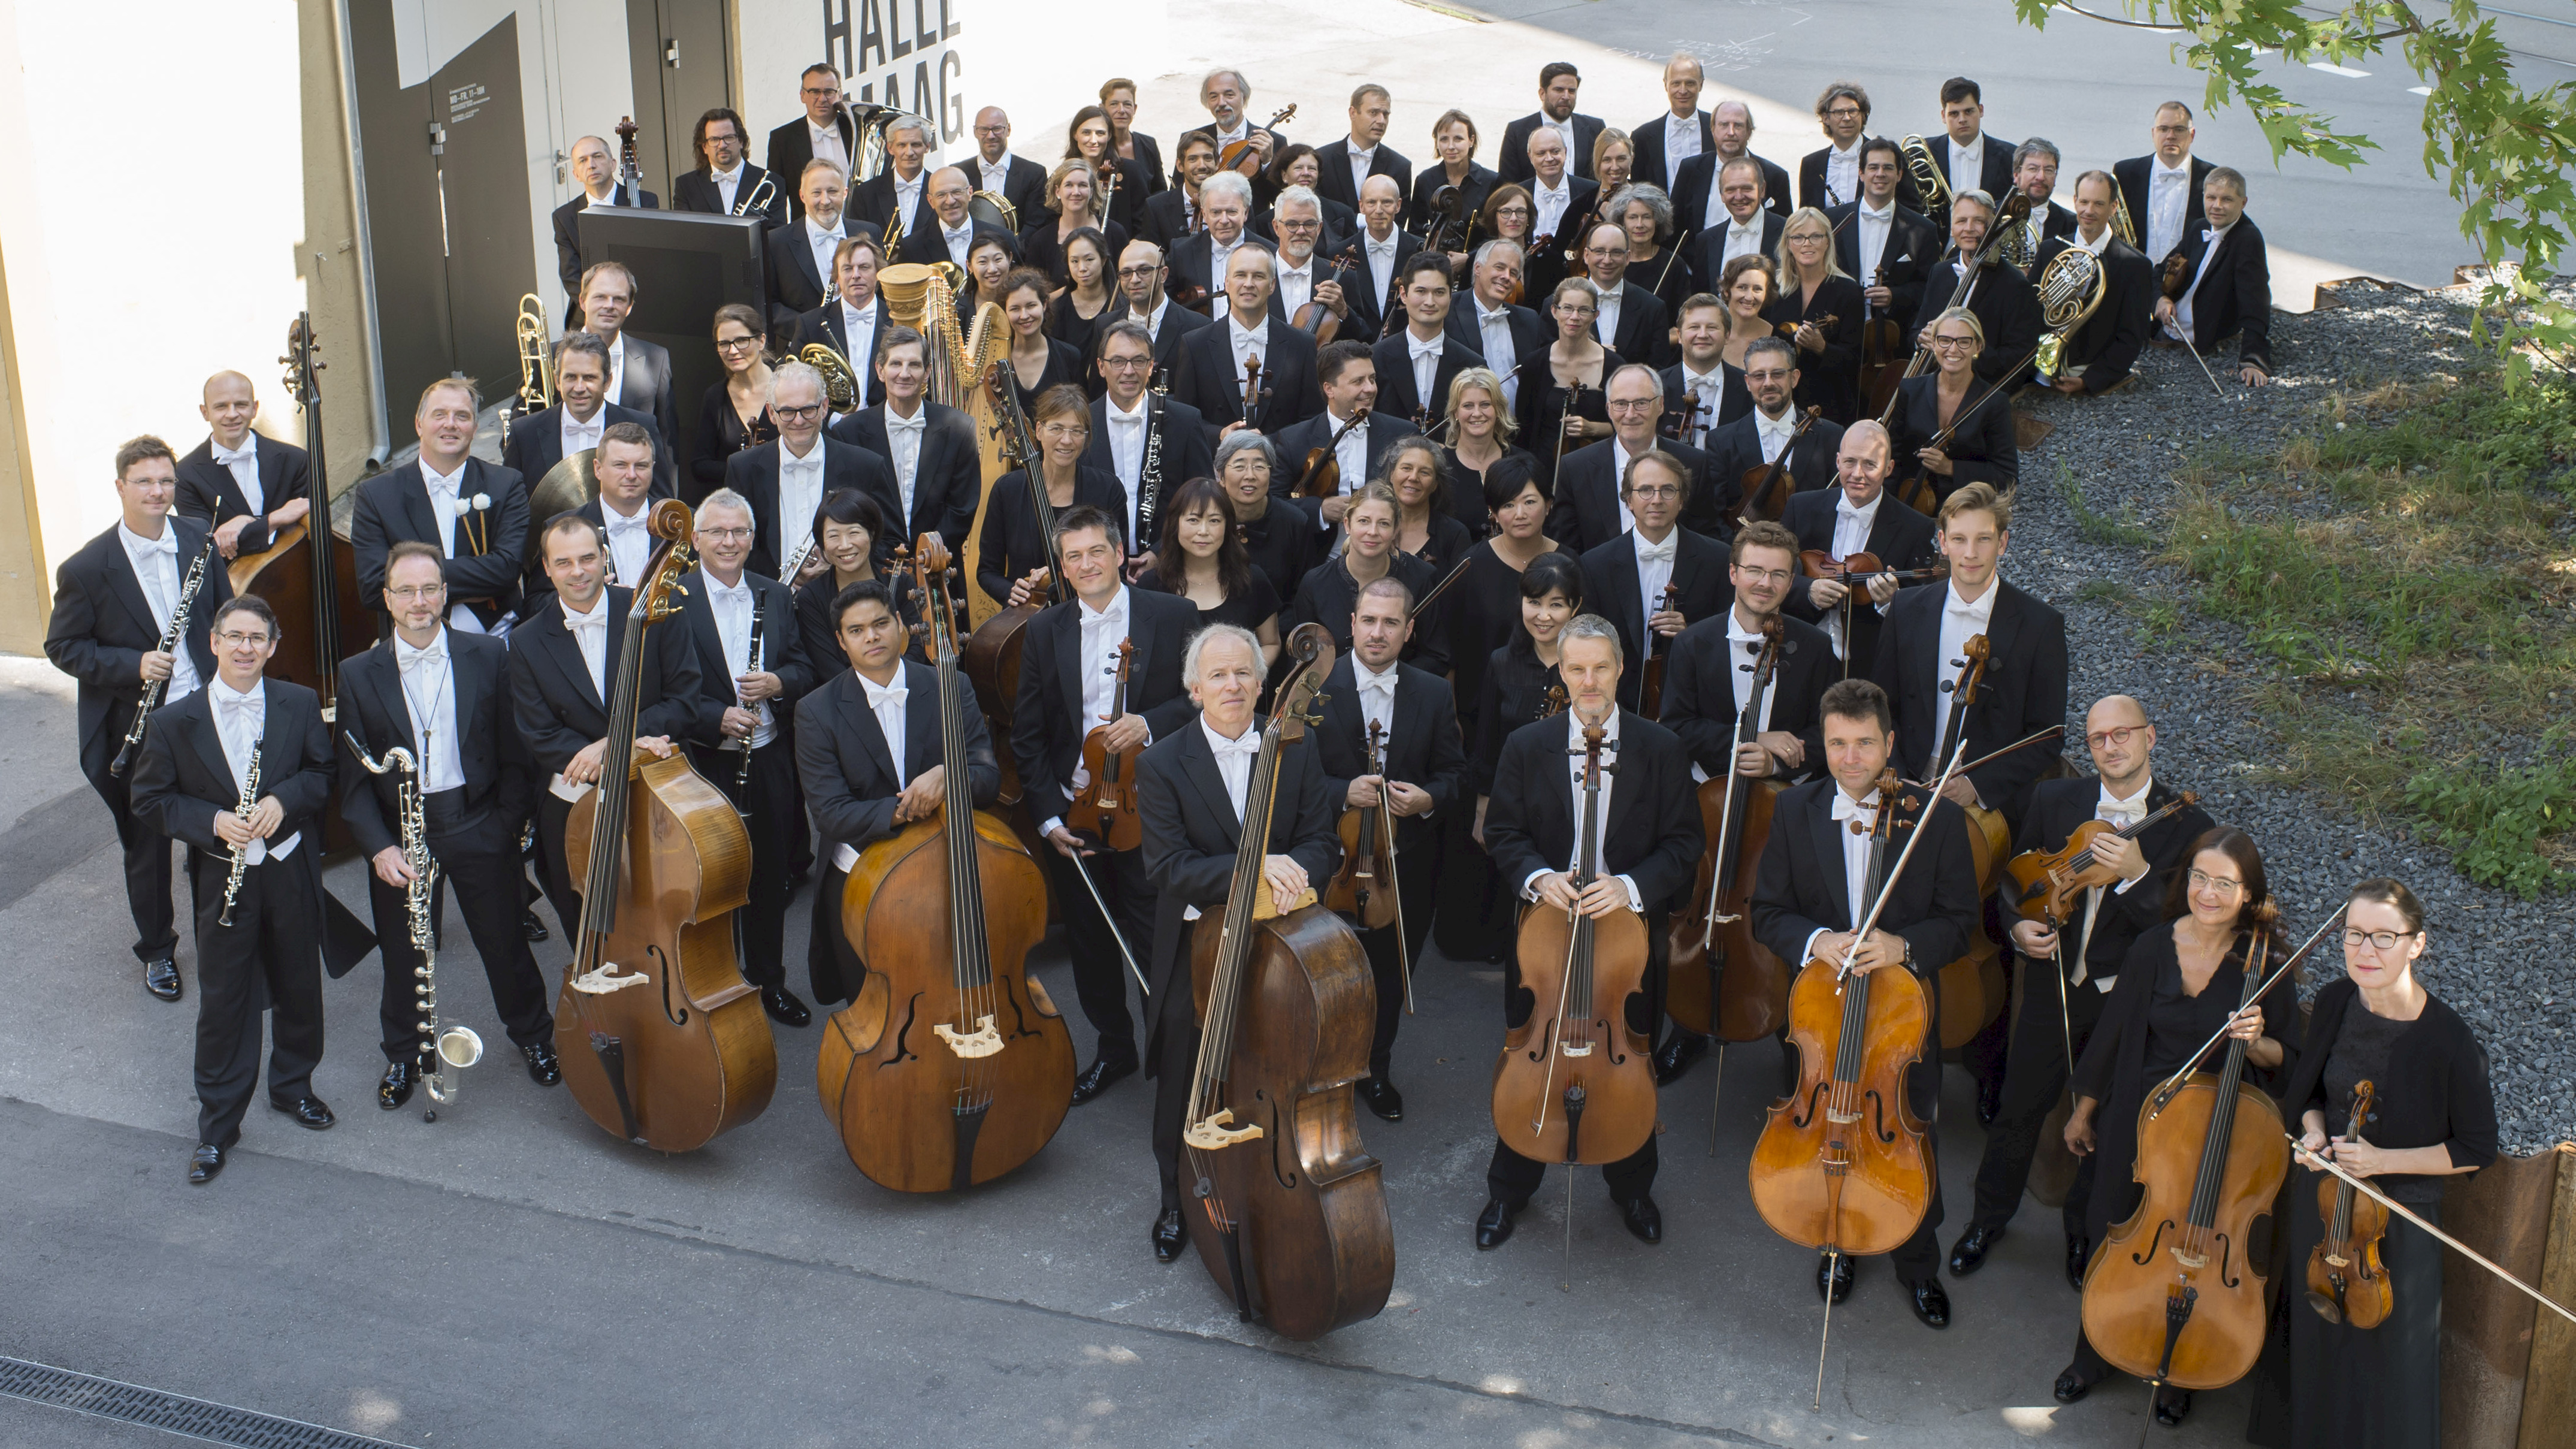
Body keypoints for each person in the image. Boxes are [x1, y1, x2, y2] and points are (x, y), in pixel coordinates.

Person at [1948, 695, 2214, 1289]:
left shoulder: (2188, 826)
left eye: (2123, 734)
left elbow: (2183, 930)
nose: (2111, 746)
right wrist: (2018, 927)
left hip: (2124, 1003)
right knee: (2019, 1108)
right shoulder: (2053, 800)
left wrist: (2138, 877)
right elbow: (2017, 883)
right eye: (2098, 738)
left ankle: (2081, 1235)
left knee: (2104, 1127)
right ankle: (1987, 1221)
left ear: (2151, 736)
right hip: (2053, 986)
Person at [1749, 676, 1981, 1323]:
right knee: (1825, 1131)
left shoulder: (1934, 819)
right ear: (1822, 743)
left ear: (1890, 744)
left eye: (1864, 744)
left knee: (1910, 1139)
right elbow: (1767, 913)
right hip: (1818, 1019)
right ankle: (1836, 1242)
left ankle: (1917, 1263)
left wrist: (1902, 949)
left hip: (1899, 1024)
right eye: (1838, 744)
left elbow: (1961, 921)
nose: (1851, 759)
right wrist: (1818, 939)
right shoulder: (1796, 811)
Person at [2055, 827, 2297, 1423]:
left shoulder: (2264, 964)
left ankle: (2179, 1368)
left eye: (2223, 883)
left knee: (2195, 1246)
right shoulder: (2152, 947)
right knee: (2113, 1228)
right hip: (2139, 1119)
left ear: (2247, 893)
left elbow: (2287, 1056)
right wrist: (2084, 1109)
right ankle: (2093, 1353)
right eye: (2197, 877)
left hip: (2220, 1132)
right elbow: (2112, 1035)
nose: (2207, 893)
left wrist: (2256, 1038)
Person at [1476, 612, 1703, 1248]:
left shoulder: (1660, 749)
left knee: (1631, 1060)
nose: (1589, 681)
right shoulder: (1527, 745)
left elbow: (1685, 843)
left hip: (1626, 942)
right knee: (1528, 1056)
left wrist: (1629, 889)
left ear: (1621, 668)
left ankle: (1632, 1186)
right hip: (1544, 942)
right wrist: (1539, 878)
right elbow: (1504, 835)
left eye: (1600, 667)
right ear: (1561, 670)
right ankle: (1509, 1188)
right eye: (1575, 668)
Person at [1134, 622, 1344, 1261]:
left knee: (1279, 1059)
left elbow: (1321, 840)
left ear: (1261, 683)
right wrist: (1251, 867)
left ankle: (1268, 1182)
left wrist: (1298, 869)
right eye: (1217, 675)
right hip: (1201, 936)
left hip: (1281, 932)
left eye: (1243, 673)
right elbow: (1167, 867)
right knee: (1184, 1057)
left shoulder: (1295, 748)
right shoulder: (1161, 761)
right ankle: (1175, 1196)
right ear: (1194, 689)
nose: (1232, 685)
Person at [338, 542, 561, 1110]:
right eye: (406, 591)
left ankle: (535, 1037)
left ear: (445, 593)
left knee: (505, 940)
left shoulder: (489, 654)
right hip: (401, 832)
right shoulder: (358, 673)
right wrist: (378, 849)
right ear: (387, 600)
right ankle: (403, 1053)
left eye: (430, 589)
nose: (420, 601)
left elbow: (517, 755)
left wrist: (506, 826)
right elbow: (354, 780)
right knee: (403, 948)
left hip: (477, 821)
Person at [129, 594, 339, 1182]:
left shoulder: (298, 703)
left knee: (300, 985)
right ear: (214, 643)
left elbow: (322, 775)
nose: (246, 647)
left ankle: (293, 1086)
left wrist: (283, 800)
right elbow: (150, 800)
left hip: (288, 867)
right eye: (235, 636)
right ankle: (218, 1124)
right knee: (225, 1000)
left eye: (258, 638)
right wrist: (213, 822)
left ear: (272, 647)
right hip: (224, 876)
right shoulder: (175, 721)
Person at [2282, 879, 2497, 1449]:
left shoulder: (2451, 1041)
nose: (2365, 951)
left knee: (2389, 1372)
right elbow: (2305, 1097)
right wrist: (2311, 1137)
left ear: (2417, 944)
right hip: (2326, 1210)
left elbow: (2476, 1149)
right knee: (2318, 1344)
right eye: (2354, 934)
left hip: (2395, 1226)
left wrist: (2380, 1159)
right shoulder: (2334, 1001)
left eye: (2384, 937)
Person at [1014, 506, 1201, 1106]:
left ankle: (1174, 1054)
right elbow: (1029, 734)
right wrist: (1047, 818)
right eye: (1073, 556)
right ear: (1062, 567)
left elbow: (1201, 702)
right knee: (1092, 944)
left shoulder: (1171, 615)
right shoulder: (1044, 630)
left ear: (1119, 554)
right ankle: (1114, 1049)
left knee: (1157, 941)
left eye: (1097, 551)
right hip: (1077, 813)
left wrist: (1147, 723)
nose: (1087, 564)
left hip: (1151, 811)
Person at [44, 435, 232, 1001]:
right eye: (146, 481)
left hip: (203, 713)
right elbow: (64, 646)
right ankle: (157, 950)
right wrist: (134, 664)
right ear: (121, 487)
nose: (158, 491)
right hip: (140, 724)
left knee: (216, 829)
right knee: (147, 846)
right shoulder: (87, 567)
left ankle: (224, 938)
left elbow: (223, 614)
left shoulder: (198, 538)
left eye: (167, 481)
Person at [1652, 518, 1839, 1082]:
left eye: (1779, 575)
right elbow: (1675, 725)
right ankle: (1689, 1029)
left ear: (1790, 584)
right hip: (1707, 804)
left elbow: (1827, 735)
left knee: (1786, 923)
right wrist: (1748, 743)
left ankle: (1793, 1045)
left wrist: (1784, 758)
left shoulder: (1814, 646)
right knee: (1696, 911)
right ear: (1734, 572)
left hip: (1783, 814)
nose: (1765, 583)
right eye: (1755, 570)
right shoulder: (1693, 642)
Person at [794, 577, 1002, 1010]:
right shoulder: (815, 710)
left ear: (900, 627)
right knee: (874, 1005)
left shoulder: (952, 685)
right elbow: (831, 815)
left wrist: (948, 774)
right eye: (857, 630)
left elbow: (988, 778)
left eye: (881, 623)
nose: (871, 636)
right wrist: (907, 809)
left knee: (957, 993)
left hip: (947, 868)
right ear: (841, 642)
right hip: (862, 879)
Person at [506, 512, 702, 943]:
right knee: (583, 919)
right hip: (575, 795)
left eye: (587, 559)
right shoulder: (524, 640)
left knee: (669, 907)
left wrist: (615, 745)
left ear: (603, 557)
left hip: (655, 784)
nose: (577, 572)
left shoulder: (655, 612)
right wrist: (602, 755)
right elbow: (538, 732)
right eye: (564, 562)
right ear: (547, 568)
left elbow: (685, 703)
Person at [1312, 575, 1463, 1120]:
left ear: (1409, 629)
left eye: (1391, 622)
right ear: (1351, 624)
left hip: (1404, 867)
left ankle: (1377, 1069)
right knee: (1323, 973)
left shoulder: (1432, 691)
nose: (1378, 632)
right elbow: (1285, 774)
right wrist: (1339, 792)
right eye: (1369, 620)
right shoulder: (1314, 686)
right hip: (1330, 864)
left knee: (1389, 978)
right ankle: (1323, 1069)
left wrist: (1426, 799)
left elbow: (1455, 775)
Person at [670, 489, 817, 1027]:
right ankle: (716, 984)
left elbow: (805, 667)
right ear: (696, 540)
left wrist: (778, 681)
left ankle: (769, 981)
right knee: (709, 881)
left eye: (739, 532)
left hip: (769, 758)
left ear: (752, 538)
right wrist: (715, 717)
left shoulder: (775, 595)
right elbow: (661, 692)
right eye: (717, 532)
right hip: (705, 764)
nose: (729, 542)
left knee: (768, 875)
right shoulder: (675, 598)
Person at [1870, 481, 2064, 828]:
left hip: (1985, 805)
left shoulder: (2040, 625)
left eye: (1984, 539)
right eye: (1959, 539)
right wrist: (1897, 773)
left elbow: (2047, 734)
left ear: (2002, 543)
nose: (1971, 553)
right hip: (1909, 780)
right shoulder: (1906, 608)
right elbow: (1882, 706)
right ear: (1943, 543)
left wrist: (1977, 786)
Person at [1458, 551, 1582, 962]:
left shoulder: (1585, 667)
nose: (1543, 615)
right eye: (1534, 602)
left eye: (1556, 604)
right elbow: (1488, 740)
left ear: (1575, 607)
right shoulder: (1502, 662)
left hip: (1572, 802)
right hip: (1514, 803)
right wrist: (1482, 809)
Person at [350, 379, 530, 635]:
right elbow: (372, 587)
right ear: (419, 424)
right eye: (440, 415)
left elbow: (507, 570)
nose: (451, 424)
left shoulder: (506, 484)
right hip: (412, 638)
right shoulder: (376, 495)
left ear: (475, 428)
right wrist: (474, 581)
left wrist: (408, 582)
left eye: (462, 416)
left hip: (495, 636)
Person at [1779, 421, 1937, 672]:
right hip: (1798, 653)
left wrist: (1890, 602)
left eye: (1870, 464)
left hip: (1867, 664)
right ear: (1838, 461)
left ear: (1889, 468)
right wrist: (1808, 590)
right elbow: (1775, 574)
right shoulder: (1800, 507)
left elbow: (1923, 607)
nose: (1857, 474)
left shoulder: (1916, 528)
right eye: (1851, 462)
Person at [1578, 449, 1727, 711]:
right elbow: (1588, 640)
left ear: (1682, 501)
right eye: (1645, 490)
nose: (1657, 500)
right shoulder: (1594, 564)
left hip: (1696, 703)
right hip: (1620, 702)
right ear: (1628, 500)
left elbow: (1730, 633)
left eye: (1668, 490)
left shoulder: (1717, 559)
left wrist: (1691, 632)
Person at [724, 361, 894, 584]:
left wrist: (843, 568)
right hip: (771, 605)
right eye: (787, 411)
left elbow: (890, 542)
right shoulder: (742, 468)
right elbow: (736, 543)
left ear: (824, 407)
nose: (799, 420)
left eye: (808, 409)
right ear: (771, 413)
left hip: (845, 604)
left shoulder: (866, 466)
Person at [828, 326, 982, 556]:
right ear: (880, 370)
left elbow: (962, 510)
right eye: (896, 364)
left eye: (914, 365)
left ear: (927, 372)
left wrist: (927, 556)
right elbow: (850, 508)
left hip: (939, 566)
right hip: (873, 566)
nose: (904, 373)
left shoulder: (960, 428)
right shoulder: (848, 433)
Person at [978, 385, 1127, 607]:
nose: (1067, 440)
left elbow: (1119, 567)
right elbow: (987, 571)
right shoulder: (1007, 490)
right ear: (1039, 431)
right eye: (1056, 429)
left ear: (1086, 438)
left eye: (1076, 431)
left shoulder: (1107, 489)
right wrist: (1011, 590)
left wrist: (1063, 574)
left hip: (1092, 611)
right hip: (1025, 619)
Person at [1547, 364, 1718, 553]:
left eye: (1641, 403)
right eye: (1621, 404)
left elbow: (1705, 542)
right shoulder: (1575, 468)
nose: (1630, 414)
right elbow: (1567, 549)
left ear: (1660, 405)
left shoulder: (1694, 464)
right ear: (1609, 409)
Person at [1171, 240, 1324, 445]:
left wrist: (1269, 442)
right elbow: (1183, 419)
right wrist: (1220, 434)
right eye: (1240, 275)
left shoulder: (1302, 344)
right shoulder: (1195, 344)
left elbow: (1312, 419)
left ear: (1272, 285)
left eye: (1259, 276)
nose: (1249, 284)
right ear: (1226, 283)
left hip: (1280, 468)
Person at [1084, 320, 1215, 558]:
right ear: (1101, 367)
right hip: (1097, 563)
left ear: (1152, 366)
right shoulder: (1080, 424)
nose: (1129, 371)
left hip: (1168, 564)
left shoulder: (1186, 422)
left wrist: (1159, 553)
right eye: (1118, 361)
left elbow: (1201, 499)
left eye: (1139, 361)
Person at [1283, 482, 1441, 672]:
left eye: (1384, 523)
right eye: (1364, 521)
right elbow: (1300, 659)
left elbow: (1436, 656)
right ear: (1347, 525)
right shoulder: (1315, 583)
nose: (1373, 532)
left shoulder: (1422, 578)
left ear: (1395, 530)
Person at [502, 331, 673, 503]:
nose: (579, 387)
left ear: (607, 382)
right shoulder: (524, 432)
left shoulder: (643, 426)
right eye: (571, 377)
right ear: (557, 381)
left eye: (589, 378)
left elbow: (662, 502)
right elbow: (511, 503)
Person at [1269, 340, 1422, 530]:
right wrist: (1320, 510)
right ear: (1329, 389)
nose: (1371, 388)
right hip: (1321, 554)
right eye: (1358, 381)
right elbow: (1273, 503)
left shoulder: (1402, 434)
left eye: (1372, 379)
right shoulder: (1293, 440)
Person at [2032, 170, 2155, 396]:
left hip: (2087, 370)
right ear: (2075, 201)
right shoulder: (2051, 249)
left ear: (2114, 207)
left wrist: (2091, 380)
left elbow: (2132, 337)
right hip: (2038, 370)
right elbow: (2030, 310)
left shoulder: (2135, 265)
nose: (2089, 211)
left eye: (2099, 204)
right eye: (2084, 202)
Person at [1137, 475, 1281, 666]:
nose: (1203, 531)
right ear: (1175, 524)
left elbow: (1271, 643)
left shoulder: (1252, 579)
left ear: (1228, 526)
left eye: (1214, 521)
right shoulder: (1150, 586)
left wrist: (1243, 677)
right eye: (1193, 520)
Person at [1907, 189, 2040, 388]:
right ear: (1952, 229)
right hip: (1931, 384)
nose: (1968, 229)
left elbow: (2020, 358)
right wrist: (1921, 339)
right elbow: (1916, 329)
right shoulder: (1940, 271)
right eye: (1961, 221)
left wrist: (1966, 354)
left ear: (1992, 227)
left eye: (1978, 221)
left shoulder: (2015, 285)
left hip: (1979, 392)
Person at [1706, 336, 1850, 516]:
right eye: (1759, 376)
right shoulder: (1721, 442)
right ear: (1748, 383)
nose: (1768, 383)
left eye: (1778, 374)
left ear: (1794, 378)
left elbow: (1837, 505)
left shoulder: (1831, 436)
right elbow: (1715, 516)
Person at [2155, 167, 2272, 387]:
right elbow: (2160, 272)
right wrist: (2161, 299)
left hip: (2201, 340)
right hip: (2166, 332)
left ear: (2243, 203)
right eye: (2211, 198)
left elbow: (2256, 302)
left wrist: (2253, 361)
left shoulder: (2248, 239)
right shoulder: (2199, 227)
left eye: (2227, 199)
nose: (2216, 206)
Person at [176, 372, 311, 562]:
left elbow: (307, 528)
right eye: (221, 406)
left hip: (294, 570)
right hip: (234, 583)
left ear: (255, 408)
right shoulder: (185, 474)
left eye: (241, 405)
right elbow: (208, 546)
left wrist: (246, 524)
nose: (232, 414)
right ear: (205, 412)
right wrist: (273, 520)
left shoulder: (296, 460)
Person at [1892, 307, 2017, 506]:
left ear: (1978, 347)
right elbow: (1894, 457)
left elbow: (2007, 476)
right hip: (1911, 503)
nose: (1953, 349)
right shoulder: (1910, 390)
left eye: (1964, 342)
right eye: (1945, 340)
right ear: (1933, 344)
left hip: (1967, 509)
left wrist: (1951, 468)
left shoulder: (1994, 402)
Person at [1828, 138, 1941, 329]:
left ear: (1899, 175)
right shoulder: (1832, 220)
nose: (1880, 174)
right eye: (1873, 167)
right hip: (1839, 331)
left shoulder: (1923, 229)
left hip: (1894, 337)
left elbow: (1928, 288)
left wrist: (1894, 296)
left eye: (1888, 168)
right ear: (1861, 174)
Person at [1766, 208, 1865, 422]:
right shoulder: (1775, 289)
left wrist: (1822, 348)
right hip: (1781, 402)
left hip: (1829, 403)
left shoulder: (1848, 291)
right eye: (1799, 237)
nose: (1807, 244)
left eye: (1815, 237)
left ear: (1827, 242)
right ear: (1788, 244)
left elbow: (1855, 361)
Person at [549, 135, 658, 325]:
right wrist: (600, 306)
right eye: (583, 161)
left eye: (598, 156)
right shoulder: (564, 217)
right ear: (576, 174)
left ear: (613, 164)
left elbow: (654, 261)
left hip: (640, 305)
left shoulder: (646, 202)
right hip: (590, 311)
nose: (591, 165)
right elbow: (571, 276)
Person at [570, 261, 680, 448]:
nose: (609, 306)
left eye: (619, 299)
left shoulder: (657, 359)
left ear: (629, 307)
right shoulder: (548, 356)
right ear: (582, 302)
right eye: (600, 297)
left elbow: (667, 440)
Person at [791, 489, 902, 674]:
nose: (845, 545)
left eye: (854, 532)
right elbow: (827, 666)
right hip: (844, 697)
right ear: (822, 543)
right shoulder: (812, 597)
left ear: (872, 533)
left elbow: (916, 649)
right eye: (834, 536)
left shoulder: (901, 583)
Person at [1520, 277, 1620, 475]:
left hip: (1598, 469)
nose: (1574, 317)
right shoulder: (1534, 364)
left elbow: (1627, 425)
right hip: (1544, 471)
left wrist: (1594, 429)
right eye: (1567, 308)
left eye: (1584, 310)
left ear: (1595, 316)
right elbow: (1525, 429)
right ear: (1554, 311)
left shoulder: (1615, 366)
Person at [1371, 253, 1482, 431]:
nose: (1430, 302)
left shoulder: (1473, 364)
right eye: (1421, 291)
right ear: (1404, 295)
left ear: (1450, 296)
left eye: (1439, 292)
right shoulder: (1375, 358)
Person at [1442, 240, 1546, 420]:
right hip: (1463, 429)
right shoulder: (1447, 311)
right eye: (1499, 267)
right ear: (1477, 268)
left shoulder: (1530, 319)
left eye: (1514, 273)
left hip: (1516, 433)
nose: (1506, 276)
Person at [1213, 430, 1319, 603]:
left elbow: (1303, 594)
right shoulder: (1206, 518)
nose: (1250, 476)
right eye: (1239, 466)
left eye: (1260, 467)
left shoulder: (1295, 522)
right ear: (1221, 476)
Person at [790, 234, 891, 411]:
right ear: (837, 277)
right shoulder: (810, 324)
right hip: (831, 428)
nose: (856, 275)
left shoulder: (898, 321)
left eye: (864, 267)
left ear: (878, 274)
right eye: (847, 269)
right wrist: (834, 419)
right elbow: (795, 383)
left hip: (883, 426)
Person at [691, 304, 779, 502]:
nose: (732, 350)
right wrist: (742, 467)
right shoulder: (715, 397)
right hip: (736, 506)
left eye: (741, 341)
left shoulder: (788, 385)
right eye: (724, 344)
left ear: (761, 341)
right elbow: (700, 465)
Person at [2114, 101, 2215, 274]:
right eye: (2163, 129)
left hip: (2189, 283)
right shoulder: (2125, 173)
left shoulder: (2211, 178)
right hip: (2135, 280)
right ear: (2154, 134)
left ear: (2192, 134)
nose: (2171, 136)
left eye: (2179, 129)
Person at [1099, 241, 1215, 387]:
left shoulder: (1199, 326)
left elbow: (1201, 393)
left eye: (1144, 270)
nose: (1135, 280)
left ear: (1163, 274)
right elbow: (1098, 392)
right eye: (1126, 273)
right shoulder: (1104, 324)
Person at [1435, 366, 1530, 538]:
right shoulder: (1439, 467)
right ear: (1456, 412)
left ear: (1498, 410)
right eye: (1468, 406)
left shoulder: (1523, 462)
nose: (1477, 413)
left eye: (1485, 405)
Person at [766, 161, 861, 331]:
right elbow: (769, 306)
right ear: (802, 196)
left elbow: (880, 294)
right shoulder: (776, 241)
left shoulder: (868, 232)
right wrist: (810, 327)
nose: (825, 201)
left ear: (845, 193)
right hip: (803, 347)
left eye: (832, 191)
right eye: (816, 193)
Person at [1517, 127, 1599, 304]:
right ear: (1530, 157)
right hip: (1531, 285)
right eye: (1541, 153)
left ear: (1566, 152)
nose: (1549, 158)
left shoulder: (1591, 191)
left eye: (1555, 151)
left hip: (1578, 278)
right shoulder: (1517, 193)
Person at [764, 64, 857, 221]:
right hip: (807, 236)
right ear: (802, 95)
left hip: (858, 230)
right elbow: (776, 198)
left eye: (829, 92)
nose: (822, 99)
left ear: (840, 94)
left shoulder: (856, 129)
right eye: (814, 92)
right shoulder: (782, 139)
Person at [1264, 186, 1354, 344]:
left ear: (1319, 228)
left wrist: (1344, 311)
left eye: (1309, 224)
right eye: (1292, 224)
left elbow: (1362, 337)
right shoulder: (1257, 275)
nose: (1301, 231)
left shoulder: (1342, 277)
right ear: (1276, 227)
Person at [1661, 292, 1752, 449]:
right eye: (1694, 327)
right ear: (1680, 335)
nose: (1703, 335)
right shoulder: (1656, 386)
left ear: (1727, 335)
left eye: (1712, 327)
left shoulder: (1748, 387)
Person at [1577, 223, 1673, 368]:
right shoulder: (1559, 305)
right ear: (1586, 255)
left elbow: (1659, 371)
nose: (1607, 260)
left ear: (1628, 257)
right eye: (1600, 251)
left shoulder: (1653, 308)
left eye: (1616, 252)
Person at [1022, 160, 1132, 285]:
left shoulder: (1115, 232)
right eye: (1069, 185)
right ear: (1058, 192)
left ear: (1092, 191)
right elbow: (1035, 293)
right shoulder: (1041, 240)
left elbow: (1126, 281)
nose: (1076, 192)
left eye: (1083, 185)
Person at [1687, 157, 1789, 291]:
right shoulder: (1706, 240)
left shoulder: (1787, 232)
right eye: (1731, 190)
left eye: (1747, 189)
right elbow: (1702, 296)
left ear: (1762, 189)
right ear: (1722, 194)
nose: (1739, 197)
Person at [1175, 67, 1284, 192]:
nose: (1221, 103)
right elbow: (1177, 192)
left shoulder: (1274, 141)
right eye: (1214, 97)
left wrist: (1268, 162)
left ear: (1243, 98)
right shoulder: (1190, 139)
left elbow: (1281, 200)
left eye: (1229, 95)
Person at [1166, 169, 1257, 315]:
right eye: (1216, 212)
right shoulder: (1181, 252)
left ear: (1245, 213)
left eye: (1232, 212)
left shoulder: (1269, 251)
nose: (1224, 220)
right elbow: (1166, 307)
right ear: (1204, 214)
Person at [673, 107, 785, 226]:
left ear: (741, 141)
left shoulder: (771, 183)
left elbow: (776, 235)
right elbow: (684, 235)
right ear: (705, 147)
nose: (722, 145)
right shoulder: (686, 186)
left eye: (729, 138)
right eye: (714, 139)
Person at [1498, 62, 1604, 185]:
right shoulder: (1517, 131)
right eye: (1559, 90)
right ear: (1542, 94)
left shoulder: (1595, 129)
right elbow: (1508, 185)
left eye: (1571, 91)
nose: (1566, 96)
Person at [1316, 84, 1411, 217]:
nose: (1381, 121)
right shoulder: (1321, 159)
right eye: (1373, 113)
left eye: (1386, 114)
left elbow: (1397, 223)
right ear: (1353, 113)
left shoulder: (1400, 167)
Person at [1406, 108, 1499, 244]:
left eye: (1458, 139)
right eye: (1444, 139)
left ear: (1471, 140)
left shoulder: (1491, 181)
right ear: (1437, 143)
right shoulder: (1425, 180)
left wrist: (1468, 258)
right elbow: (1416, 231)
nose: (1451, 146)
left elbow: (1494, 234)